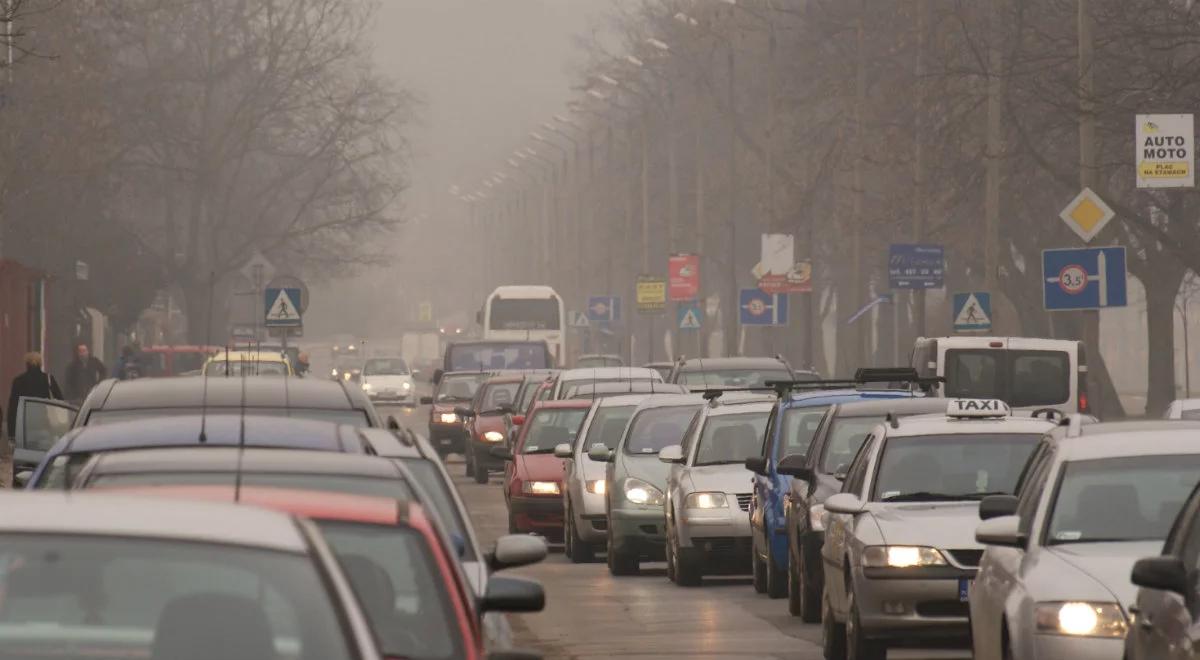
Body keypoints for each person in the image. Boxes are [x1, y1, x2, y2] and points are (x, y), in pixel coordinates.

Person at [7, 352, 64, 438]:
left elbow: (13, 407)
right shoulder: (48, 379)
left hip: (24, 425)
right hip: (43, 424)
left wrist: (11, 433)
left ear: (26, 364)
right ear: (40, 364)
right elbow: (60, 400)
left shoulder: (18, 381)